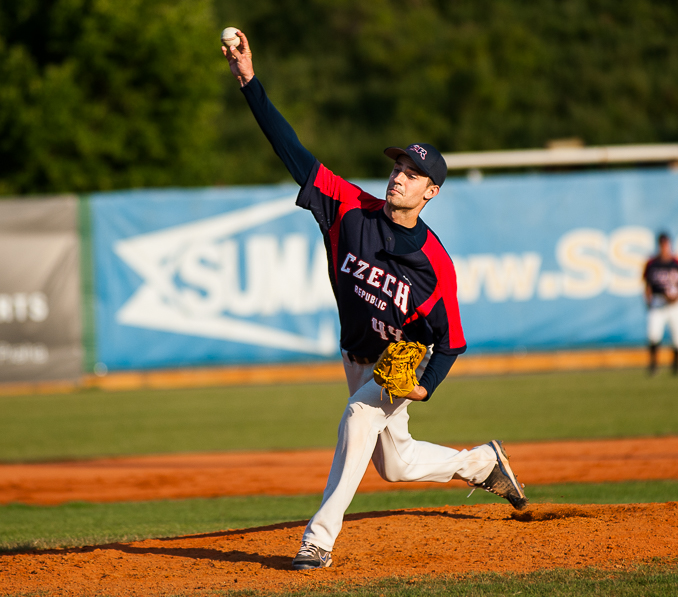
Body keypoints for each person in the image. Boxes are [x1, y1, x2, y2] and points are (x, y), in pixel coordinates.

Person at [222, 31, 527, 571]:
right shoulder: (348, 209)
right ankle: (483, 464)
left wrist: (424, 387)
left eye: (412, 174)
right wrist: (249, 82)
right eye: (396, 168)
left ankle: (319, 539)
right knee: (396, 463)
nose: (399, 178)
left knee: (361, 417)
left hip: (396, 360)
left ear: (430, 191)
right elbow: (291, 149)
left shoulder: (435, 265)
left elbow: (452, 343)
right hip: (354, 351)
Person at [643, 232, 678, 375]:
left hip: (675, 304)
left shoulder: (677, 262)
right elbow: (647, 284)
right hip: (658, 301)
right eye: (662, 244)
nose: (664, 247)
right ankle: (654, 365)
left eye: (666, 244)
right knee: (653, 334)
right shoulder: (652, 263)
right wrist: (648, 299)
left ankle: (676, 367)